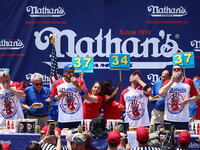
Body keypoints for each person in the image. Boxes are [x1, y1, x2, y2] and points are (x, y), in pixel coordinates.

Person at [159, 64, 198, 130]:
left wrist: (188, 100)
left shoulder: (188, 81)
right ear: (172, 72)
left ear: (182, 72)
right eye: (174, 69)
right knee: (168, 139)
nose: (176, 70)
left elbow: (196, 97)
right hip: (169, 118)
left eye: (178, 69)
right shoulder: (168, 82)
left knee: (183, 139)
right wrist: (172, 81)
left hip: (183, 119)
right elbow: (161, 93)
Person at [50, 64, 88, 129]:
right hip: (63, 119)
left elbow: (85, 95)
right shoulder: (58, 83)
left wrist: (77, 85)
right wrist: (59, 96)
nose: (71, 74)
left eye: (73, 72)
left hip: (78, 119)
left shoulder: (79, 81)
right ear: (64, 73)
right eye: (69, 72)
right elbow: (51, 99)